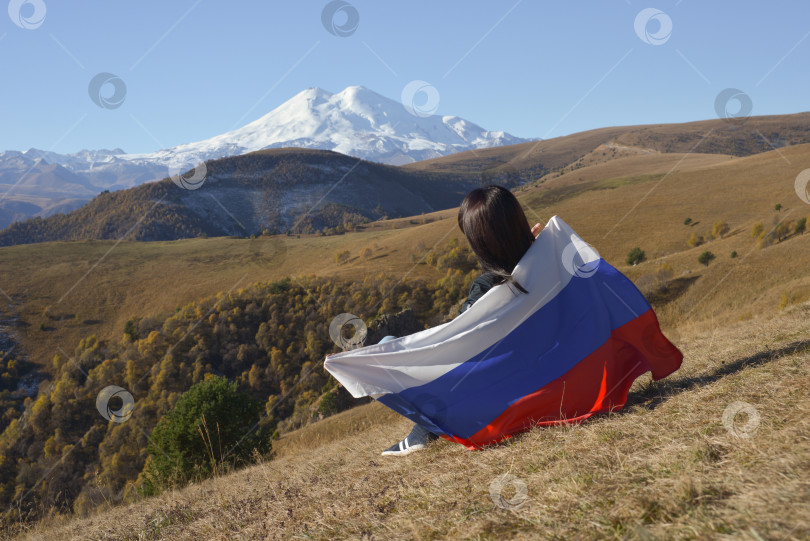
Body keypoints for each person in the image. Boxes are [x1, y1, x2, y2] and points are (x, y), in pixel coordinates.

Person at [380, 185, 542, 456]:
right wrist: (535, 252)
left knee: (387, 343)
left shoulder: (487, 286)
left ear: (480, 242)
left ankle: (422, 431)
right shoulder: (546, 266)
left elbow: (459, 344)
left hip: (496, 393)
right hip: (539, 374)